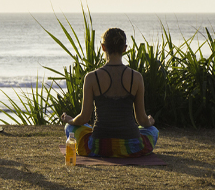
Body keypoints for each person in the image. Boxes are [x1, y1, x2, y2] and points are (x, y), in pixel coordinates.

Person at [59, 27, 158, 157]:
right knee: (153, 131)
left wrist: (69, 120)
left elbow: (84, 118)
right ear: (124, 48)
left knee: (69, 129)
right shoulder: (136, 77)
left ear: (103, 47)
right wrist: (150, 121)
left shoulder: (91, 77)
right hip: (132, 146)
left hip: (99, 147)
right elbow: (142, 121)